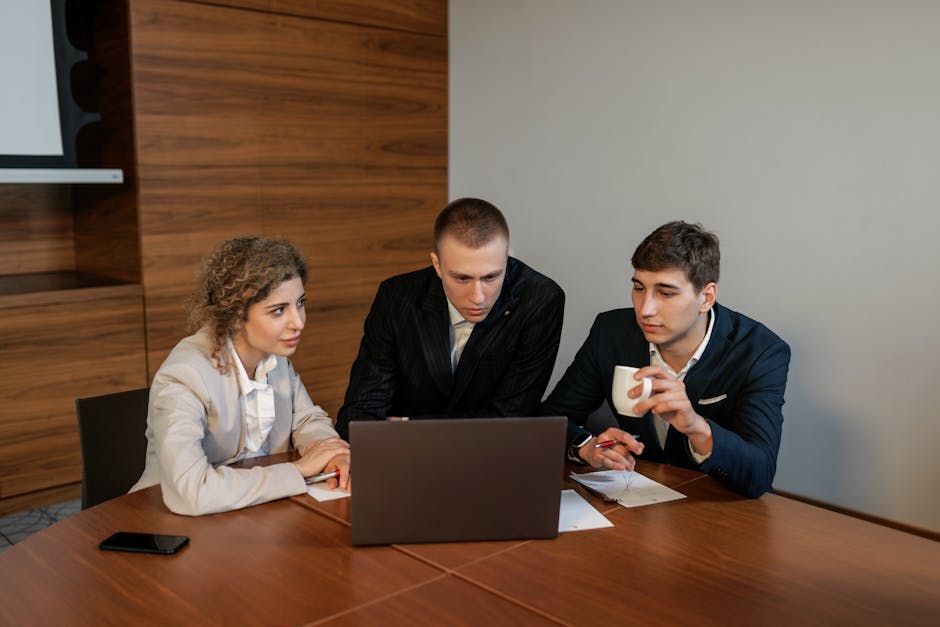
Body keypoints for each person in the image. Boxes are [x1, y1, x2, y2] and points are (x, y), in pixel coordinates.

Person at [541, 221, 790, 498]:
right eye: (639, 288)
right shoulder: (610, 331)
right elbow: (549, 421)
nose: (645, 309)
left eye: (666, 293)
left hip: (715, 509)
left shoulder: (761, 351)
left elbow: (760, 473)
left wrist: (696, 427)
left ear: (706, 297)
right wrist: (586, 447)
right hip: (632, 501)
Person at [131, 236, 350, 515]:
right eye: (279, 310)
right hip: (172, 521)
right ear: (235, 315)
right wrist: (297, 470)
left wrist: (331, 453)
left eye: (300, 303)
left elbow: (307, 418)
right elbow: (192, 492)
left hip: (253, 510)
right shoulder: (184, 376)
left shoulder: (274, 357)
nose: (298, 322)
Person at [335, 197, 565, 439]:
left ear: (507, 258)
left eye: (490, 277)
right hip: (402, 455)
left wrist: (406, 424)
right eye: (462, 278)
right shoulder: (396, 298)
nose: (478, 297)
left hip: (492, 453)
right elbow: (360, 412)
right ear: (437, 265)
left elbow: (511, 417)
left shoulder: (541, 300)